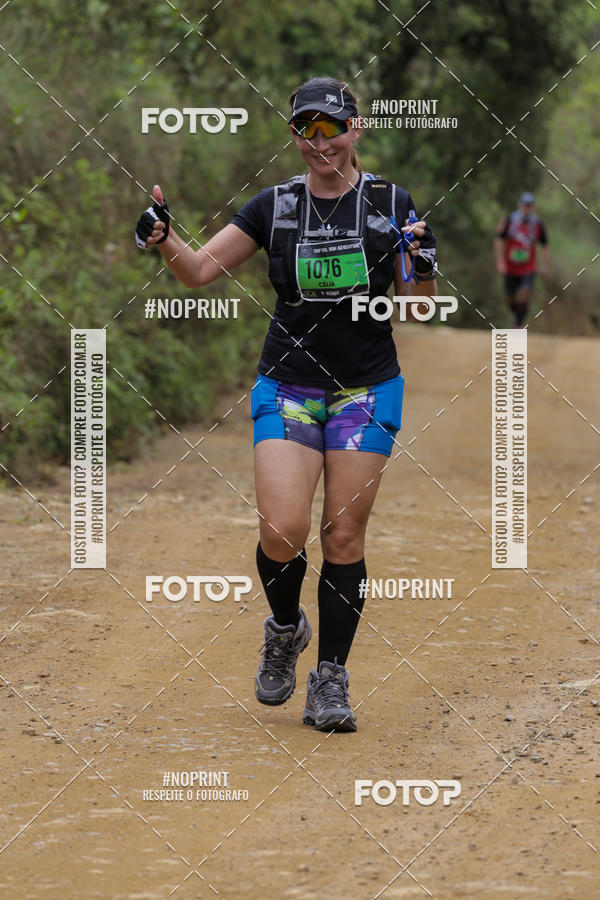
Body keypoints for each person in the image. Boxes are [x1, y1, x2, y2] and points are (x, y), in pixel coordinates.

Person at [135, 77, 437, 732]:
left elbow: (417, 307)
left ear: (356, 129)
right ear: (294, 136)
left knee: (342, 534)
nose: (319, 142)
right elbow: (198, 271)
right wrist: (163, 237)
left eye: (331, 128)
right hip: (289, 385)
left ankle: (331, 678)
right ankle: (283, 627)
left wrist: (423, 264)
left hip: (365, 388)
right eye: (306, 129)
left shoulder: (390, 203)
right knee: (282, 531)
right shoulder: (275, 207)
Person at [495, 192, 549, 327]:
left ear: (534, 207)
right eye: (525, 205)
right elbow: (499, 240)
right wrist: (500, 262)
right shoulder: (510, 220)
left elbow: (545, 245)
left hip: (528, 267)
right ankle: (517, 314)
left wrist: (544, 265)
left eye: (530, 205)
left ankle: (518, 325)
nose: (527, 208)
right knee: (510, 299)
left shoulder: (538, 224)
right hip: (510, 267)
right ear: (520, 206)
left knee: (524, 293)